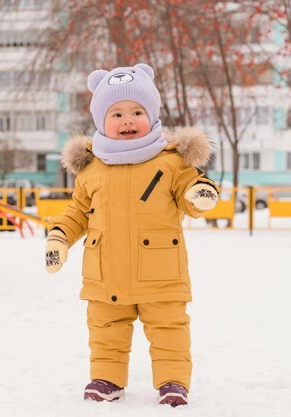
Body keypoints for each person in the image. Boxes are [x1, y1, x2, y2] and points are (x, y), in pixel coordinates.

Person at [45, 63, 218, 407]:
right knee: (106, 331)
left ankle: (173, 381)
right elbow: (77, 212)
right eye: (117, 113)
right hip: (106, 272)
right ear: (101, 121)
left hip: (160, 273)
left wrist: (200, 191)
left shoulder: (171, 162)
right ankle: (107, 378)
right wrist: (59, 237)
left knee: (169, 328)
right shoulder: (91, 168)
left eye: (137, 112)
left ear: (151, 116)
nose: (127, 120)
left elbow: (190, 190)